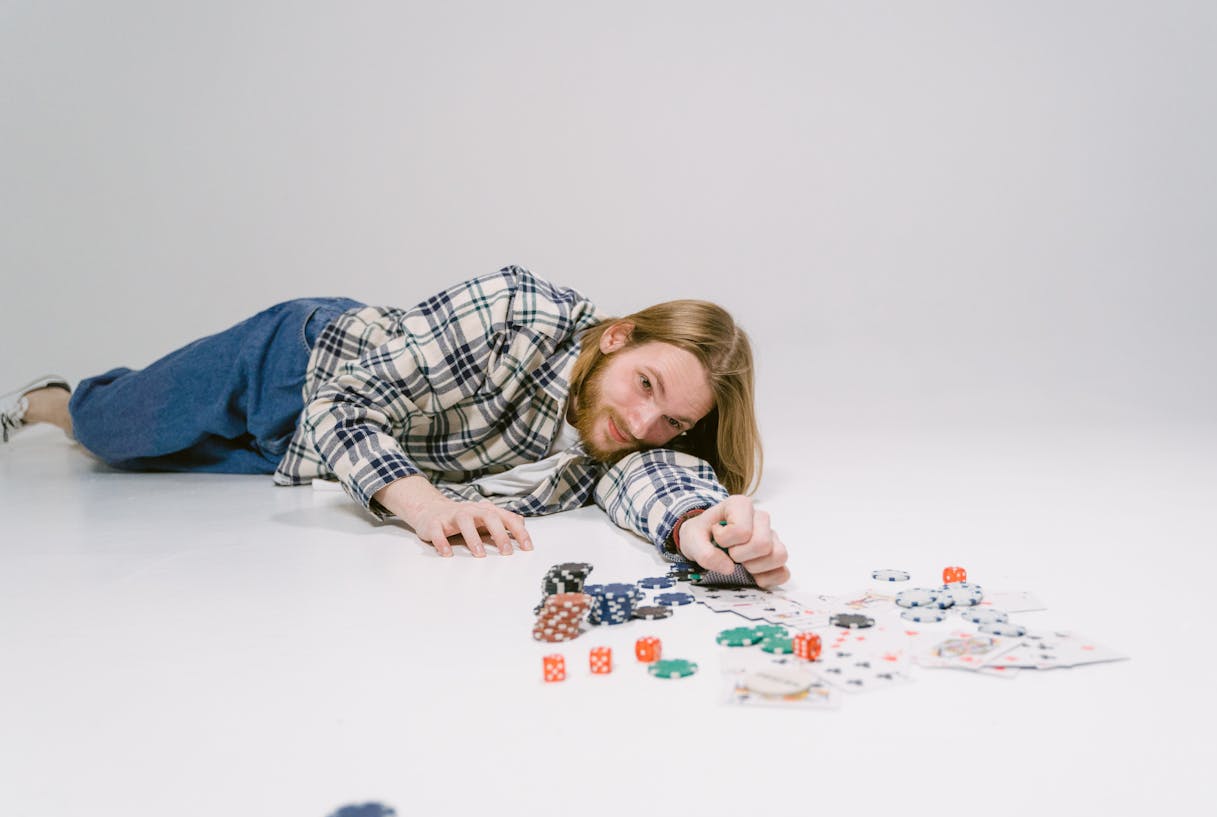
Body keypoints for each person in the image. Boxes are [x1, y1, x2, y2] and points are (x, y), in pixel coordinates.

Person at [1, 265, 789, 587]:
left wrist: (698, 527)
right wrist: (430, 508)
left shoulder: (635, 435)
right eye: (645, 384)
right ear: (616, 335)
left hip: (317, 460)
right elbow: (340, 405)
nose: (642, 419)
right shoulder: (518, 310)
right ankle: (51, 398)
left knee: (158, 472)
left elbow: (655, 478)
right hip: (289, 366)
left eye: (671, 419)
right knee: (110, 434)